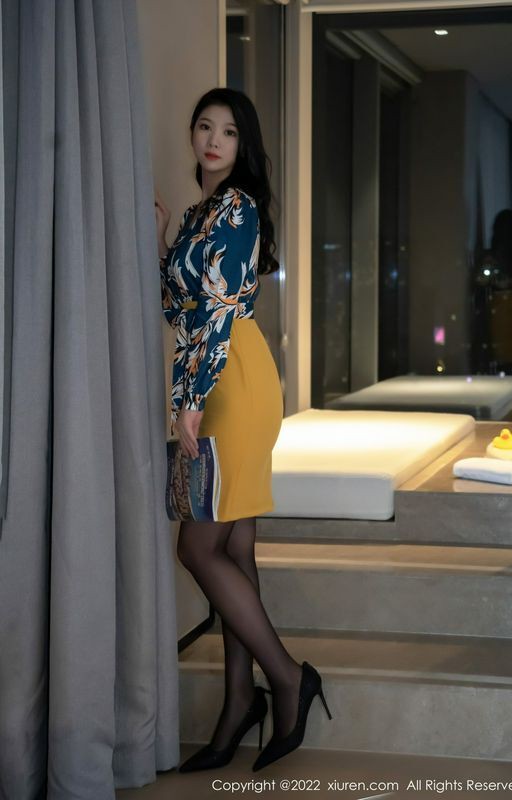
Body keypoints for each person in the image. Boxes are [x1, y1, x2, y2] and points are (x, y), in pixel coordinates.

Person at [154, 88, 332, 773]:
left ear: (243, 144)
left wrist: (191, 400)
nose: (212, 139)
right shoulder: (200, 213)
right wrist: (161, 240)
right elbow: (179, 307)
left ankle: (286, 677)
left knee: (197, 548)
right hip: (217, 375)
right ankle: (237, 703)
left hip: (230, 380)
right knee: (234, 544)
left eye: (228, 131)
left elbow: (221, 310)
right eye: (204, 126)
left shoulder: (236, 207)